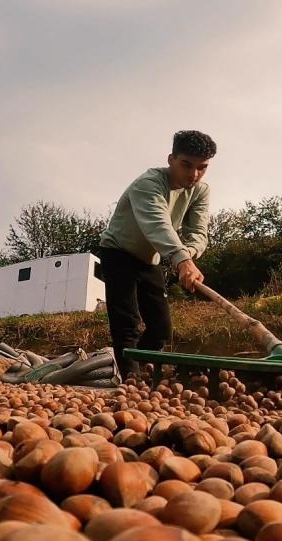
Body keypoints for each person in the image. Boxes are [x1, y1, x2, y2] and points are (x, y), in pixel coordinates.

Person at [97, 130, 215, 377]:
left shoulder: (200, 191)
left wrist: (187, 256)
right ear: (171, 159)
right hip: (118, 251)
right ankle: (130, 381)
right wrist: (181, 258)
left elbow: (199, 233)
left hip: (150, 259)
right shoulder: (147, 185)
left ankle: (144, 374)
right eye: (186, 165)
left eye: (201, 168)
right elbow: (157, 224)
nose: (194, 174)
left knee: (161, 328)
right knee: (127, 322)